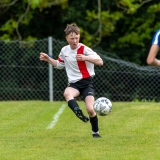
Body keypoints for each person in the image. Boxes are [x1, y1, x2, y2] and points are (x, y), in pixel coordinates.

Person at [39, 23, 103, 138]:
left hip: (87, 83)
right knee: (67, 93)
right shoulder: (64, 50)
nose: (75, 40)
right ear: (67, 38)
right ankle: (77, 111)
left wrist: (85, 58)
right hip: (74, 84)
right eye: (72, 38)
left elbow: (100, 62)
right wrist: (48, 59)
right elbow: (58, 65)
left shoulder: (84, 49)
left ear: (79, 36)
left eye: (77, 38)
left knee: (90, 109)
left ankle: (95, 132)